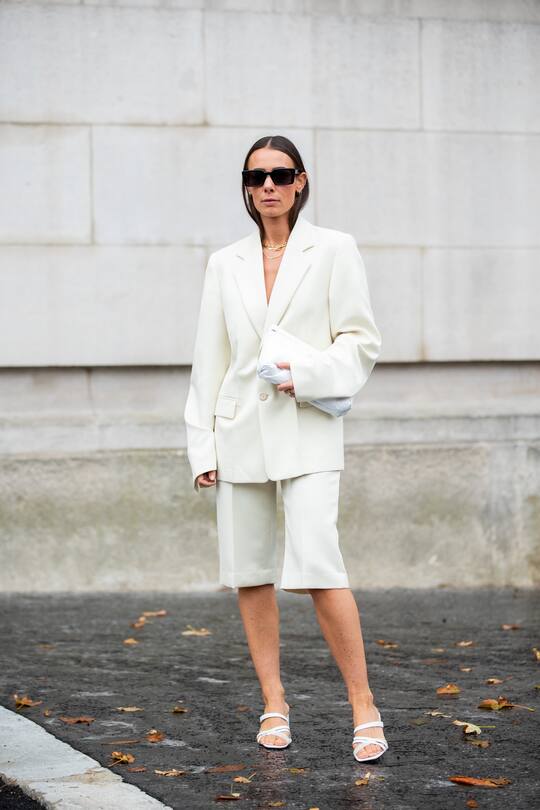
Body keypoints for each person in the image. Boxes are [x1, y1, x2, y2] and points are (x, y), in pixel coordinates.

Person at [183, 135, 387, 762]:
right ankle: (274, 701)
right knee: (250, 572)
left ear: (301, 181)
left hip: (308, 429)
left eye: (280, 174)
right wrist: (202, 447)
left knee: (320, 566)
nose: (267, 185)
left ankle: (364, 706)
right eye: (255, 177)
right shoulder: (226, 263)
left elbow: (360, 340)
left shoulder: (335, 250)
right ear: (245, 188)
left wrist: (310, 377)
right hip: (239, 429)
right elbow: (209, 360)